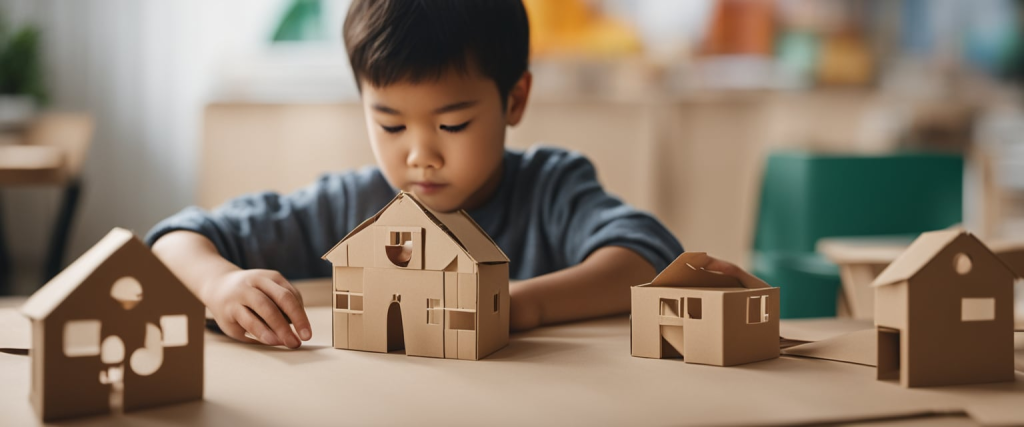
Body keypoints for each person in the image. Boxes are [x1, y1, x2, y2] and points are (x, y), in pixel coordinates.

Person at [147, 0, 751, 349]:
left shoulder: (550, 189)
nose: (420, 155)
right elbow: (180, 236)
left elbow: (649, 254)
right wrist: (219, 285)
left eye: (454, 124)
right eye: (389, 124)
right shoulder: (348, 205)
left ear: (514, 101)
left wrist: (516, 306)